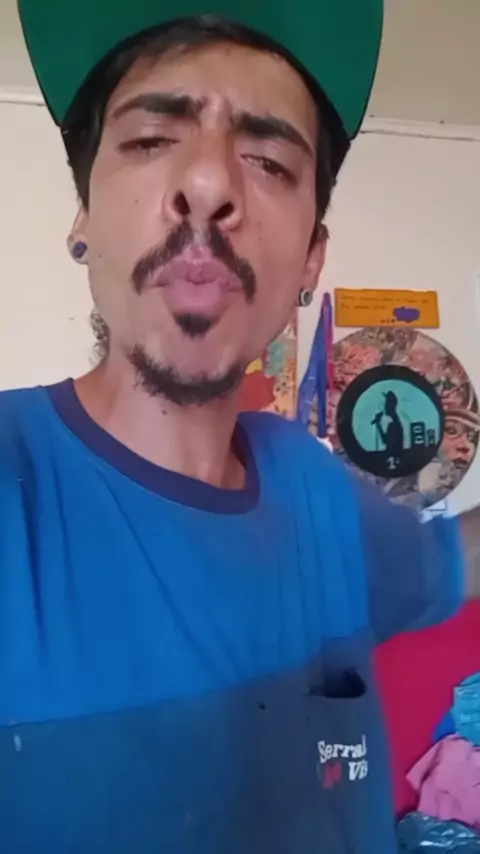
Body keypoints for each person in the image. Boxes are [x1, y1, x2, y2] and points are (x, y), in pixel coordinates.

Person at [1, 1, 465, 852]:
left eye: (269, 160)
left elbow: (455, 558)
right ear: (84, 218)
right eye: (151, 138)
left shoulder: (316, 488)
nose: (210, 182)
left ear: (312, 259)